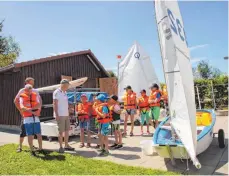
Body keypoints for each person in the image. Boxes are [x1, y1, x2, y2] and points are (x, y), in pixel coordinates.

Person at [14, 77, 42, 152]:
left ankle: (32, 146)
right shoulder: (22, 91)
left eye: (33, 82)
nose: (33, 83)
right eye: (31, 82)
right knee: (23, 131)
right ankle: (20, 146)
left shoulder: (35, 91)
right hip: (25, 115)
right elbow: (16, 101)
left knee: (33, 132)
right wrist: (21, 111)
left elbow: (40, 101)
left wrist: (39, 110)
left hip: (34, 115)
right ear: (26, 83)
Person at [19, 84, 43, 156]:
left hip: (36, 118)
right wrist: (32, 112)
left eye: (30, 91)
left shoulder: (35, 95)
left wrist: (30, 109)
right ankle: (32, 151)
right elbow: (22, 107)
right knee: (30, 135)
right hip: (27, 119)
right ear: (25, 90)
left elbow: (39, 105)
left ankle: (40, 149)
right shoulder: (22, 96)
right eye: (28, 91)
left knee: (39, 134)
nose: (29, 93)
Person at [53, 79, 74, 153]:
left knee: (67, 130)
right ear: (64, 85)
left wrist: (69, 109)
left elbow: (64, 103)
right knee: (61, 131)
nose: (68, 87)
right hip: (60, 115)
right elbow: (55, 104)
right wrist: (57, 115)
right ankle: (61, 147)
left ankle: (66, 145)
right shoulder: (56, 92)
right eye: (67, 85)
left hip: (66, 114)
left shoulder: (65, 92)